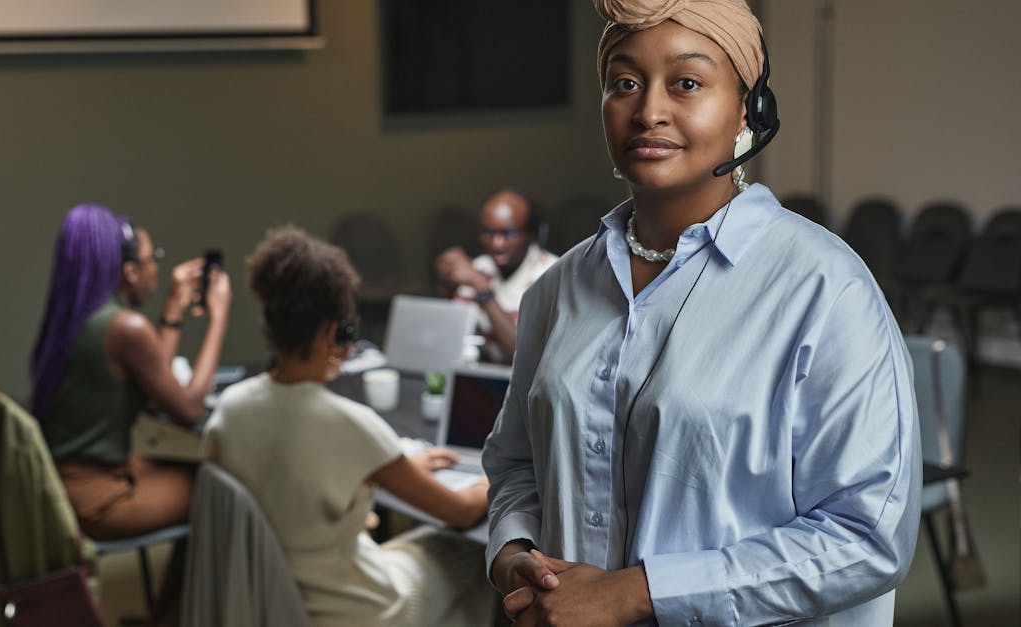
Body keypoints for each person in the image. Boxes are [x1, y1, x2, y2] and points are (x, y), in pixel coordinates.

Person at [483, 2, 921, 625]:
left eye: (686, 83)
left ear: (748, 108)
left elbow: (868, 537)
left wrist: (636, 593)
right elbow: (515, 463)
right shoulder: (554, 291)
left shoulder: (825, 289)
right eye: (624, 83)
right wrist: (514, 552)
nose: (649, 110)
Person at [203, 226, 495, 627]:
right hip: (361, 609)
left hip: (270, 598)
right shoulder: (350, 424)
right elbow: (460, 513)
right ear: (329, 332)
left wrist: (404, 467)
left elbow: (294, 479)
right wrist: (495, 478)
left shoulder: (229, 409)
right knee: (472, 554)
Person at [29, 203, 231, 540]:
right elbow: (188, 410)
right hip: (98, 499)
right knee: (227, 491)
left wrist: (171, 310)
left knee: (210, 483)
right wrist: (219, 316)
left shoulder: (77, 319)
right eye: (152, 259)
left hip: (61, 484)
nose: (156, 270)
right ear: (132, 272)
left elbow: (154, 391)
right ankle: (190, 595)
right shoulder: (127, 327)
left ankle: (181, 595)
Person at [435, 189, 558, 363]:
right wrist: (447, 287)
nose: (497, 244)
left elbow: (522, 355)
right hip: (482, 379)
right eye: (489, 233)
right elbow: (449, 338)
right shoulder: (480, 267)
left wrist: (482, 289)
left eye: (508, 234)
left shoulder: (551, 274)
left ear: (531, 234)